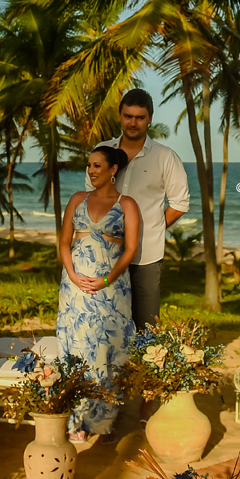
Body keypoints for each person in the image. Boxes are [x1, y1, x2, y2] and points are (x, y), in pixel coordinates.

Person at [87, 89, 190, 332]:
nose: (133, 123)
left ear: (150, 118)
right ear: (120, 116)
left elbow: (180, 203)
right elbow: (91, 195)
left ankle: (143, 369)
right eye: (128, 116)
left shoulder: (165, 157)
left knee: (146, 326)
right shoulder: (103, 151)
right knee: (105, 323)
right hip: (106, 254)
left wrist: (152, 227)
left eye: (140, 117)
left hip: (146, 255)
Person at [57, 146, 141, 442]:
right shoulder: (77, 200)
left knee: (110, 352)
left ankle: (103, 422)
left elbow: (130, 249)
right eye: (88, 166)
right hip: (75, 289)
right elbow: (64, 241)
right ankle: (76, 421)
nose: (91, 171)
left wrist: (107, 279)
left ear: (113, 169)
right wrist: (71, 273)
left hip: (113, 290)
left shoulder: (127, 204)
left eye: (96, 166)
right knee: (77, 351)